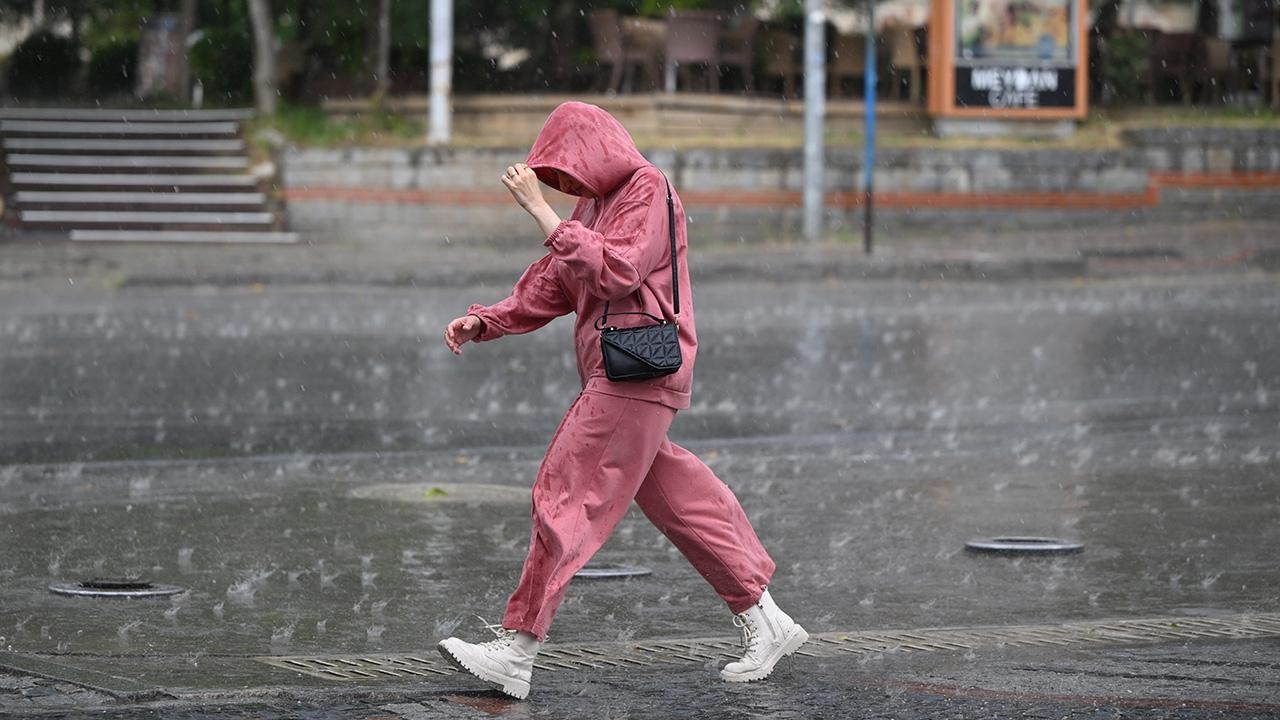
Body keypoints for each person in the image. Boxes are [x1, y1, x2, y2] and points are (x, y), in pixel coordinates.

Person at [438, 102, 807, 700]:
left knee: (564, 492)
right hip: (623, 371)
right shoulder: (594, 204)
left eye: (567, 173)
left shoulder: (646, 187)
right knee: (681, 500)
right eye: (556, 181)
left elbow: (617, 271)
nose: (565, 188)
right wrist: (489, 320)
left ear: (593, 151)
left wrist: (541, 211)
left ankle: (518, 649)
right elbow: (557, 280)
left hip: (633, 373)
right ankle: (767, 620)